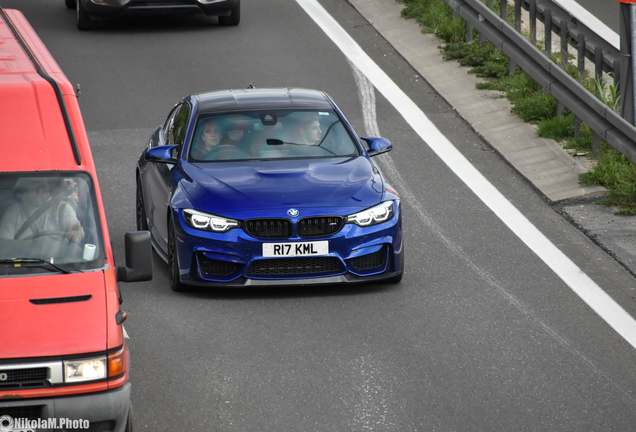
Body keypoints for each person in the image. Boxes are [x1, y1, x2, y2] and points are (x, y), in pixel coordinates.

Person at [0, 178, 84, 243]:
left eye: (43, 186)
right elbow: (6, 246)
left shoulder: (62, 208)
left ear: (49, 189)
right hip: (22, 262)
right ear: (26, 189)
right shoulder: (13, 212)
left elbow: (75, 227)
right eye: (35, 185)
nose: (39, 191)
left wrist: (77, 232)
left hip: (57, 263)